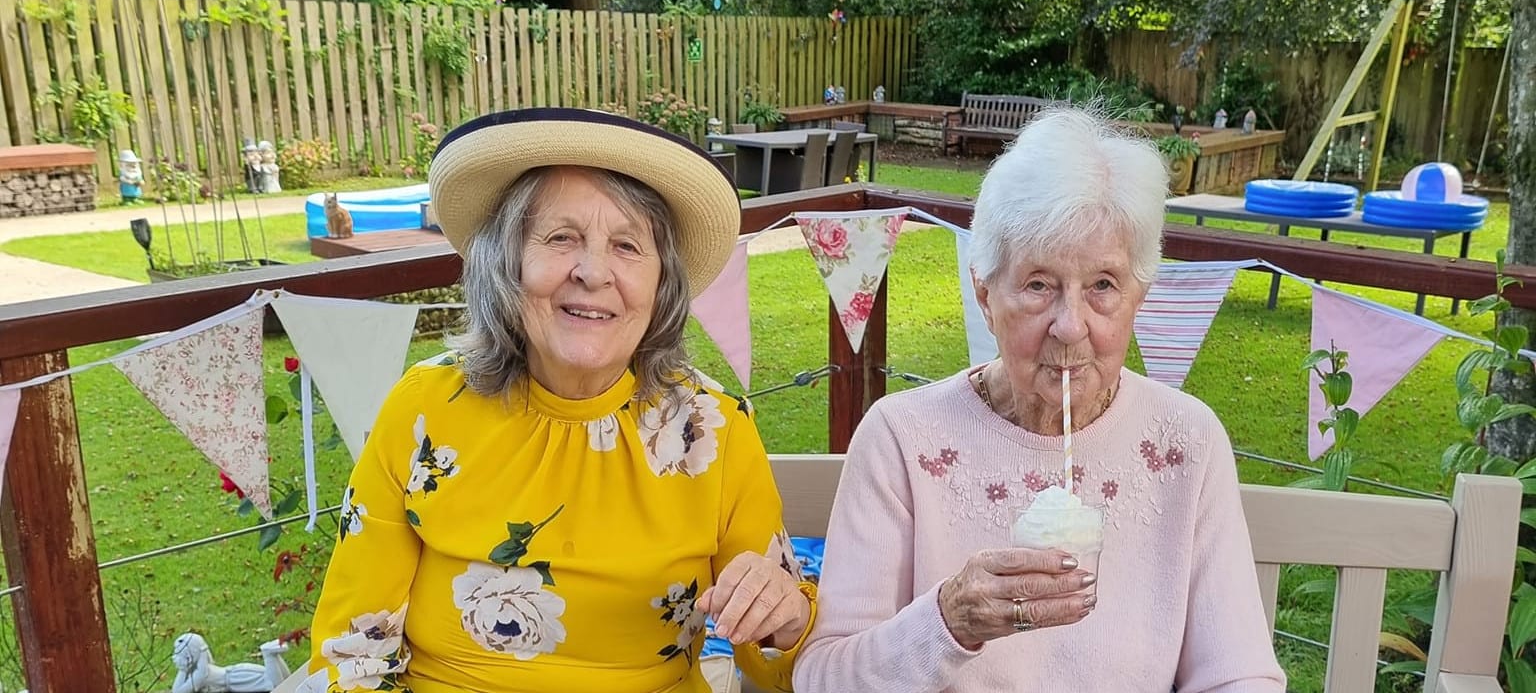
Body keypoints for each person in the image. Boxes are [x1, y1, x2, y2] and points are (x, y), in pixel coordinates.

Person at [297, 108, 817, 693]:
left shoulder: (716, 429)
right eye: (560, 237)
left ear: (661, 284)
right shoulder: (424, 409)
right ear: (507, 262)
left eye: (627, 246)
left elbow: (778, 666)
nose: (593, 272)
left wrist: (786, 617)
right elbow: (352, 653)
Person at [794, 107, 1284, 692]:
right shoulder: (902, 438)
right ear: (984, 293)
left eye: (1103, 284)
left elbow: (1239, 676)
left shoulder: (1186, 440)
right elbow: (824, 679)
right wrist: (949, 621)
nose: (1070, 325)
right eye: (1037, 285)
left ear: (1139, 296)